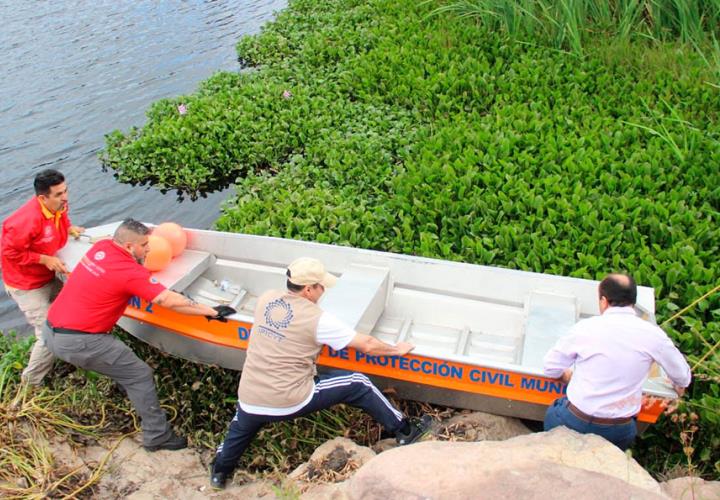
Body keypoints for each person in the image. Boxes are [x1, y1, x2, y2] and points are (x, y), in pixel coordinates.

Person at [210, 257, 432, 489]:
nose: (323, 290)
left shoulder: (266, 298)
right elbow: (365, 344)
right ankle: (405, 431)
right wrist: (396, 350)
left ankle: (219, 471)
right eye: (320, 286)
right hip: (292, 398)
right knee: (358, 383)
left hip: (250, 396)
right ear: (308, 289)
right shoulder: (317, 319)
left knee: (240, 428)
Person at [42, 218, 235, 451]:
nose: (149, 249)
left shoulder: (100, 248)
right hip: (81, 341)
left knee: (122, 368)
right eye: (145, 245)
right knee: (139, 374)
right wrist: (210, 311)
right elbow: (166, 299)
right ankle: (157, 435)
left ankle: (128, 391)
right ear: (129, 247)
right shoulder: (129, 272)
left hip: (51, 330)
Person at [543, 273, 691, 450]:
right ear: (633, 303)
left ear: (604, 301)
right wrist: (677, 383)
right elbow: (683, 377)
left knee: (555, 410)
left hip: (574, 420)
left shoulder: (586, 328)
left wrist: (568, 376)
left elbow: (550, 368)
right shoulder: (653, 335)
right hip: (618, 432)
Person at [1, 169, 84, 386]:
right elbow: (9, 253)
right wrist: (44, 260)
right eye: (58, 194)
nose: (65, 197)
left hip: (47, 276)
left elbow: (62, 219)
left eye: (65, 191)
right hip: (26, 285)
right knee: (50, 332)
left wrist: (68, 229)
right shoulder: (23, 222)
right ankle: (30, 383)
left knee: (74, 307)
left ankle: (70, 354)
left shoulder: (58, 205)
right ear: (42, 198)